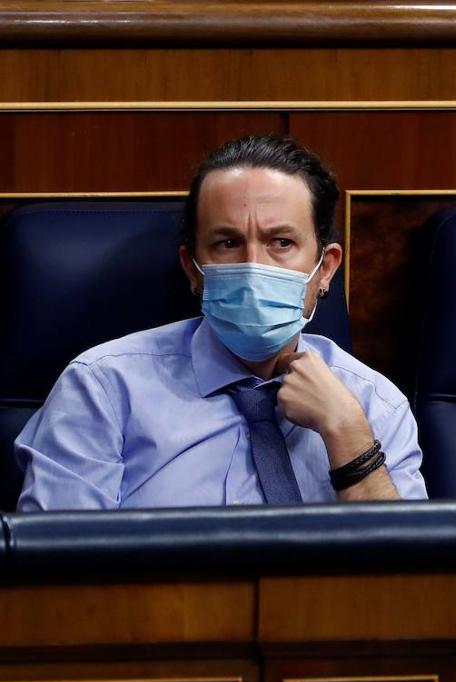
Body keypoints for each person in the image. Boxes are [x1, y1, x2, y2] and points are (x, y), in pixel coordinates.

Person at [14, 134, 427, 509]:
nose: (253, 267)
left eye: (281, 242)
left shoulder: (375, 406)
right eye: (227, 243)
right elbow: (56, 580)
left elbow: (408, 584)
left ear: (325, 269)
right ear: (193, 269)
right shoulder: (103, 389)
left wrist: (347, 434)